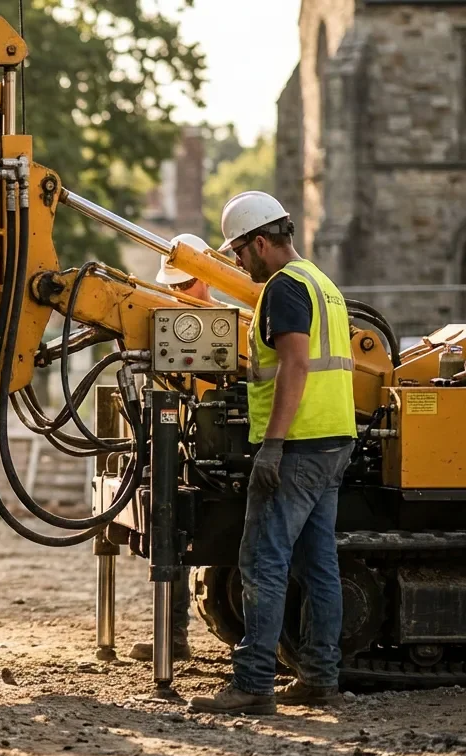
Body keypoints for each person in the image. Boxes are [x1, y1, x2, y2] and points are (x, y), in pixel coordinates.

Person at [190, 192, 357, 715]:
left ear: (261, 242)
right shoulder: (321, 283)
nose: (239, 263)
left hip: (298, 445)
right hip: (334, 439)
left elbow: (295, 367)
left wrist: (274, 445)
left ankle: (254, 683)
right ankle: (320, 678)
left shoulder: (284, 289)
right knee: (318, 564)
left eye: (240, 251)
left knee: (262, 559)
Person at [128, 232, 215, 663]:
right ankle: (174, 636)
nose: (178, 293)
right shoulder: (167, 324)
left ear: (205, 278)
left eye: (185, 285)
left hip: (220, 454)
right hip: (179, 448)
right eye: (173, 287)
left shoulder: (229, 323)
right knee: (171, 540)